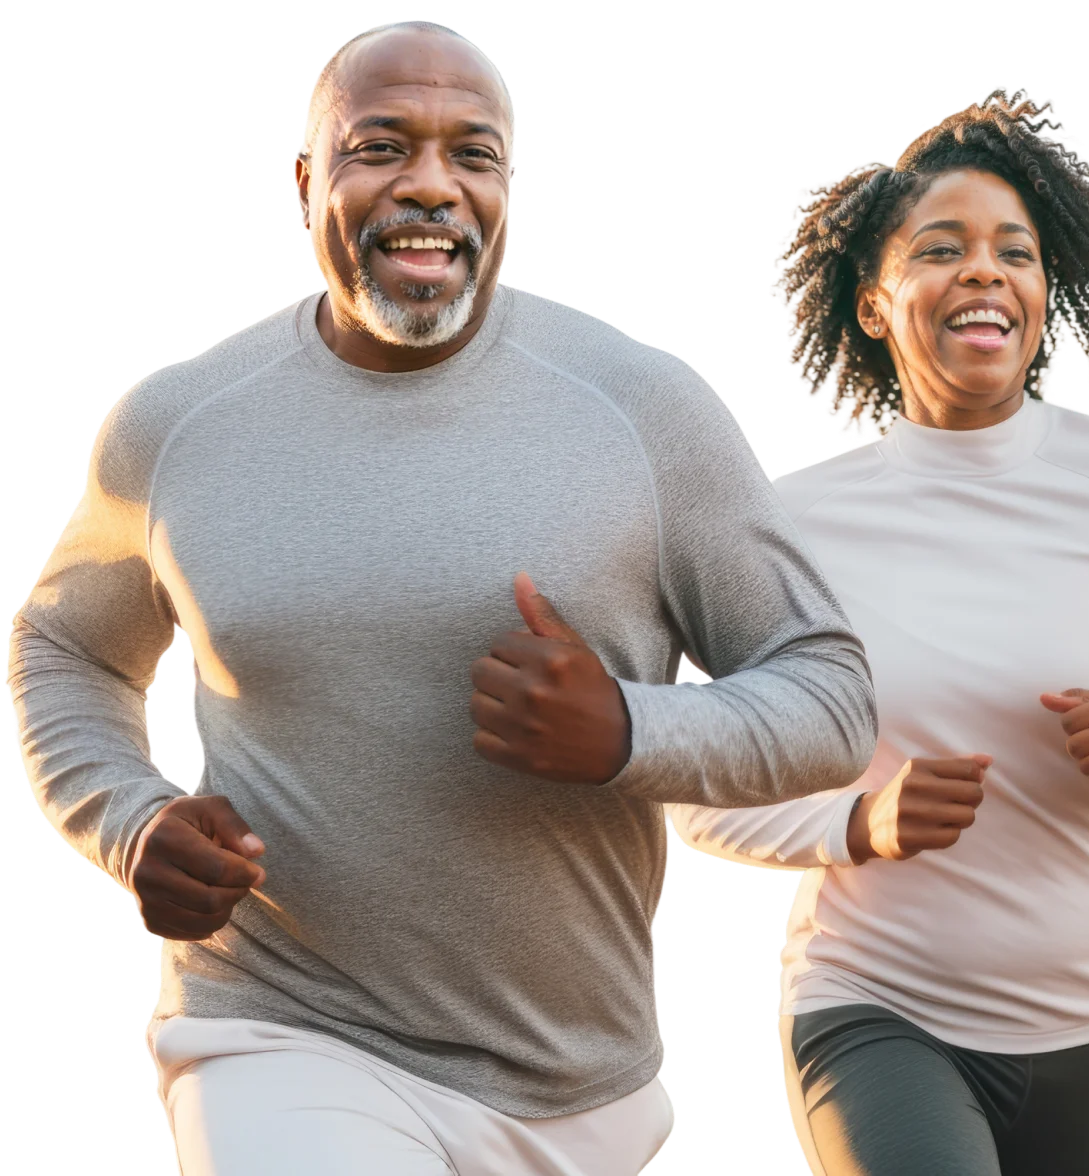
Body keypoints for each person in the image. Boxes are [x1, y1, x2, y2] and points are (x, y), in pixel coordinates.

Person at [5, 21, 880, 1176]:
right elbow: (68, 645)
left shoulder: (647, 411)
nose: (430, 184)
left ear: (507, 186)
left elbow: (831, 697)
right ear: (307, 179)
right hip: (278, 1025)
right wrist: (131, 818)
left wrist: (631, 729)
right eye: (380, 146)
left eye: (472, 153)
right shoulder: (178, 426)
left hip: (577, 1083)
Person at [666, 87, 1089, 1176]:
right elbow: (692, 787)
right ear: (874, 302)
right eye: (940, 249)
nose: (984, 270)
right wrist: (859, 823)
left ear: (1041, 293)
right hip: (876, 1010)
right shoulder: (789, 523)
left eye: (1014, 251)